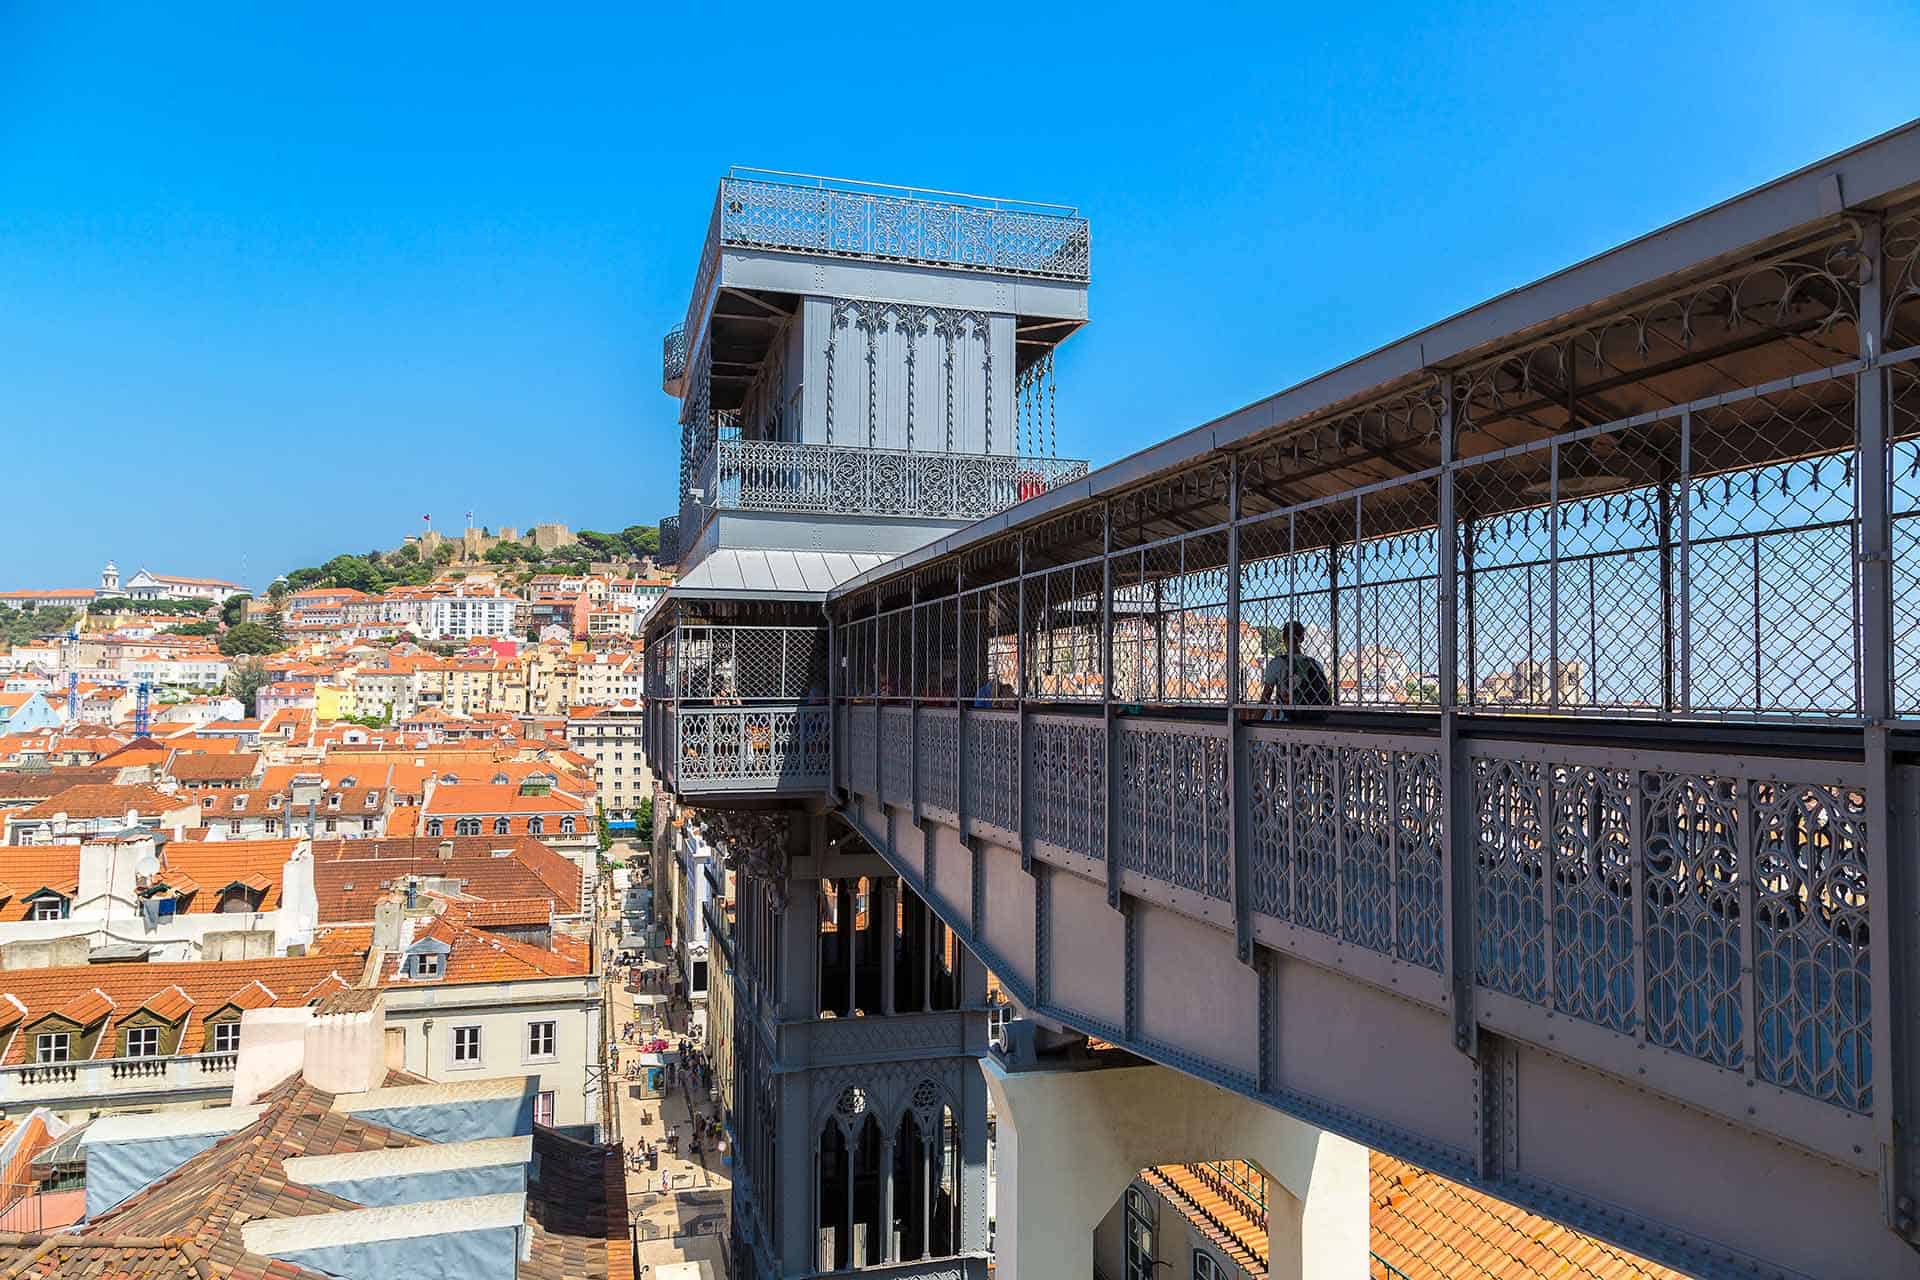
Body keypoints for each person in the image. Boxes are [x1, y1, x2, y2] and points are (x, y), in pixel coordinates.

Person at [1259, 622, 1332, 719]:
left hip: (1286, 721)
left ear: (1283, 638)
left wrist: (1252, 723)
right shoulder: (1316, 664)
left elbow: (1265, 698)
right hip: (1312, 721)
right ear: (1302, 638)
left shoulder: (1277, 664)